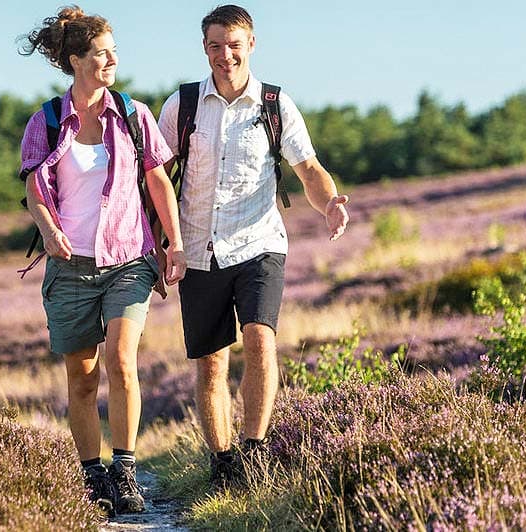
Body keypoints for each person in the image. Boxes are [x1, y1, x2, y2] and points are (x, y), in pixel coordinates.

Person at [157, 4, 349, 489]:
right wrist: (159, 240)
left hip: (260, 242)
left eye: (234, 44)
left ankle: (254, 450)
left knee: (261, 339)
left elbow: (308, 168)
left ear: (251, 45)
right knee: (211, 361)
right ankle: (224, 462)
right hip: (199, 248)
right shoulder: (180, 106)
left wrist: (329, 204)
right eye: (216, 46)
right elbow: (155, 177)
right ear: (204, 48)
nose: (226, 55)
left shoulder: (275, 105)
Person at [18, 5, 186, 515]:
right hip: (70, 266)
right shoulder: (46, 121)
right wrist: (48, 229)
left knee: (121, 361)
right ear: (75, 60)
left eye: (114, 51)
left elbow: (158, 179)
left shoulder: (134, 115)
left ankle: (126, 471)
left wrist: (174, 242)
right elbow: (33, 186)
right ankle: (93, 477)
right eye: (101, 53)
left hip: (129, 259)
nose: (111, 60)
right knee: (83, 375)